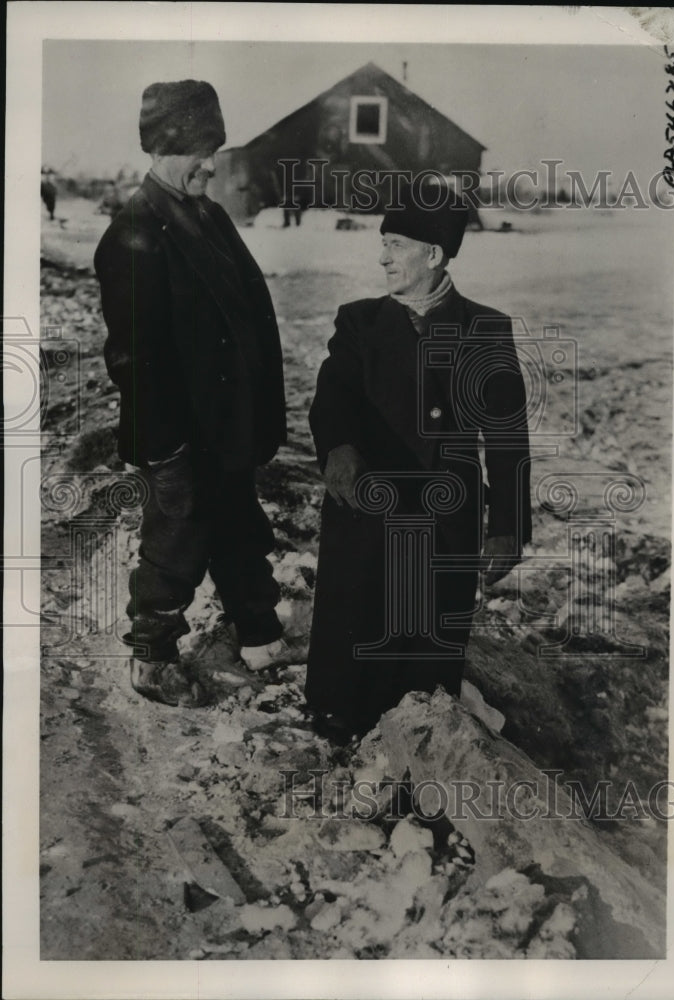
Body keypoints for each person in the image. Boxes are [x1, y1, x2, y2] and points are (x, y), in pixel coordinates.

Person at [305, 182, 532, 741]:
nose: (382, 257)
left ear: (433, 254)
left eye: (396, 244)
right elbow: (333, 395)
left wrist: (506, 527)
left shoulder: (487, 329)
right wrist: (338, 447)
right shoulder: (358, 321)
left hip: (444, 517)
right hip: (367, 507)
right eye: (382, 243)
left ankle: (420, 736)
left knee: (426, 654)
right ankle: (340, 724)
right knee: (355, 631)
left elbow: (506, 438)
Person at [94, 80, 289, 707]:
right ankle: (151, 659)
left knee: (239, 524)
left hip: (225, 420)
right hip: (178, 430)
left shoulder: (208, 215)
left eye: (216, 147)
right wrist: (169, 445)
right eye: (200, 149)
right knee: (176, 540)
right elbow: (130, 359)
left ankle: (259, 632)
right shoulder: (131, 232)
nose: (212, 162)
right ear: (163, 146)